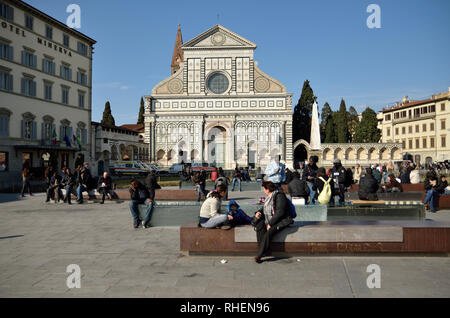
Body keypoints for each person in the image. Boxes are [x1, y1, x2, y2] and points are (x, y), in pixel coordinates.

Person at [253, 181, 292, 263]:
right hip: (271, 220)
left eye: (264, 189)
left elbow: (280, 212)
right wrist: (258, 213)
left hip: (281, 221)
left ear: (267, 189)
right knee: (259, 227)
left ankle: (259, 255)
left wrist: (270, 223)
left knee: (268, 233)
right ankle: (264, 251)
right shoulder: (269, 197)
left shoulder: (279, 196)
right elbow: (265, 208)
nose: (263, 191)